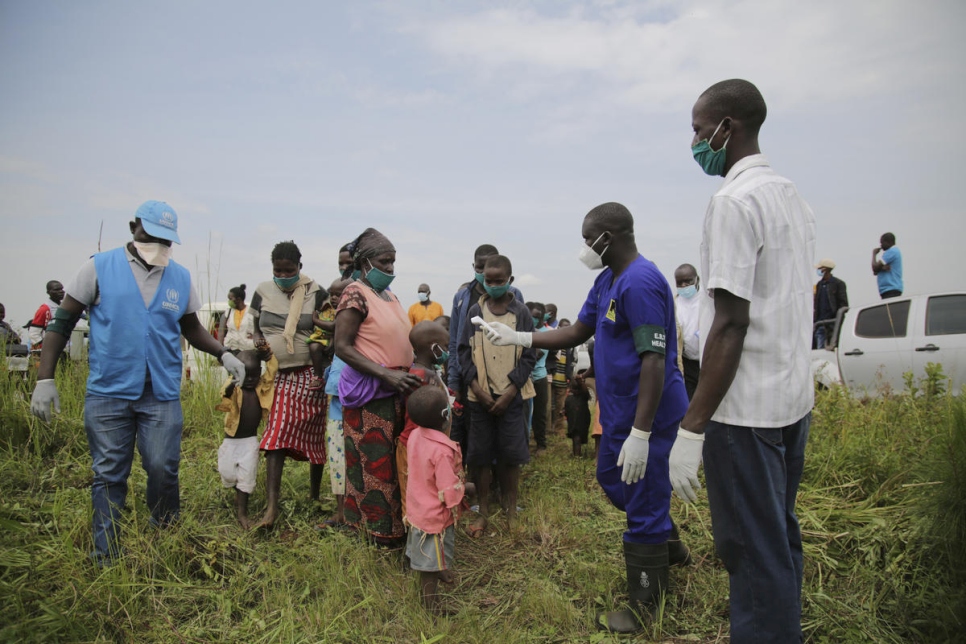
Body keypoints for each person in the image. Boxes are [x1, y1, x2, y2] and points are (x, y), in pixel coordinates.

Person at [479, 203, 690, 633]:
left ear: (606, 238)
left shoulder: (642, 282)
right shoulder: (606, 280)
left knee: (643, 499)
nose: (584, 247)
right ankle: (667, 543)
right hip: (616, 411)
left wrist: (642, 432)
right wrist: (520, 335)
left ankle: (646, 603)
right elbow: (577, 332)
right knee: (613, 481)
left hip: (645, 415)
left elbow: (653, 359)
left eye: (586, 238)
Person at [668, 79, 816, 643]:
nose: (696, 141)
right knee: (777, 535)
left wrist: (692, 427)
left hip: (745, 412)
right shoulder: (790, 196)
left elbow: (730, 321)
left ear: (726, 128)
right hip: (790, 402)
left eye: (698, 129)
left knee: (751, 551)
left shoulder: (733, 202)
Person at [29, 200, 246, 565]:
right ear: (134, 227)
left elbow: (191, 328)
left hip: (160, 393)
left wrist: (223, 353)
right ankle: (106, 555)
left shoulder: (179, 277)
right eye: (152, 235)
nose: (159, 245)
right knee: (109, 473)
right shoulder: (98, 268)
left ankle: (165, 537)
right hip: (108, 392)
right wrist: (45, 378)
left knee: (163, 466)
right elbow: (62, 323)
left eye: (167, 239)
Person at [334, 228, 422, 548]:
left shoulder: (391, 296)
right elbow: (342, 347)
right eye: (384, 262)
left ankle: (395, 527)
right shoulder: (355, 293)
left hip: (396, 389)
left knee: (393, 462)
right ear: (365, 262)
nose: (390, 268)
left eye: (393, 262)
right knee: (374, 465)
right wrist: (386, 375)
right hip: (371, 391)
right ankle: (379, 534)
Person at [249, 241, 329, 529]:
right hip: (277, 374)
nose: (283, 276)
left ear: (300, 268)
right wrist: (259, 340)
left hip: (310, 372)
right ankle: (272, 508)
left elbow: (325, 328)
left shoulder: (315, 292)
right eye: (277, 271)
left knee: (315, 435)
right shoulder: (262, 291)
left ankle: (315, 495)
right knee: (276, 436)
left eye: (289, 270)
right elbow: (256, 326)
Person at [459, 254, 536, 536]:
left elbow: (529, 354)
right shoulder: (473, 313)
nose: (492, 285)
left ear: (510, 281)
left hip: (511, 397)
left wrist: (510, 390)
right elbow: (463, 353)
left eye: (498, 281)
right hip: (479, 397)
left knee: (510, 455)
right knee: (479, 455)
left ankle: (510, 509)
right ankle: (483, 511)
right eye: (488, 280)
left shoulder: (521, 313)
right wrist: (478, 390)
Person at [447, 244, 524, 458]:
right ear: (474, 266)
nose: (484, 274)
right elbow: (456, 343)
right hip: (471, 378)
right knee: (472, 434)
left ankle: (499, 483)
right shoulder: (463, 297)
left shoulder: (515, 296)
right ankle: (475, 483)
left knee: (505, 438)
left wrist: (514, 384)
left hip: (505, 380)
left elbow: (524, 342)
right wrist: (455, 383)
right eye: (480, 268)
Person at [404, 385, 472, 615]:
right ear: (446, 417)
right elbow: (448, 490)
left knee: (430, 550)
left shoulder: (415, 434)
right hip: (434, 517)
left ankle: (439, 567)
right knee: (428, 564)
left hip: (418, 510)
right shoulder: (442, 451)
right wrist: (464, 490)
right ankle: (431, 605)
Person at [215, 345, 277, 528]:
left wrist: (268, 355)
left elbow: (272, 370)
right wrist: (232, 383)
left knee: (246, 477)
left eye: (254, 375)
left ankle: (242, 512)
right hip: (230, 441)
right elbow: (224, 395)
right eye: (245, 375)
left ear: (259, 372)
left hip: (250, 442)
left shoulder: (261, 388)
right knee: (227, 474)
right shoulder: (235, 387)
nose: (249, 380)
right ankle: (237, 491)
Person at [397, 321, 453, 521]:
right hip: (415, 446)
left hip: (427, 445)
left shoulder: (429, 372)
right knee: (413, 492)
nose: (447, 351)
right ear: (434, 347)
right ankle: (413, 534)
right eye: (445, 347)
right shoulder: (420, 376)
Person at [305, 277, 346, 390]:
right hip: (322, 338)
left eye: (338, 295)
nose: (333, 298)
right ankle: (318, 376)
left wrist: (315, 320)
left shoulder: (344, 311)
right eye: (331, 294)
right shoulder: (327, 308)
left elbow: (333, 326)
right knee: (314, 347)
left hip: (338, 342)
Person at [674, 263, 701, 400]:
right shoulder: (674, 305)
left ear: (697, 280)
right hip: (687, 363)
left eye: (688, 281)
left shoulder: (708, 302)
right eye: (680, 283)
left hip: (707, 361)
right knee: (689, 404)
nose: (684, 286)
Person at [526, 301, 551, 453]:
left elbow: (539, 354)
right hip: (526, 378)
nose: (535, 318)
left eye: (537, 316)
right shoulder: (525, 331)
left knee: (540, 413)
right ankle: (525, 442)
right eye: (532, 316)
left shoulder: (544, 334)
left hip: (539, 376)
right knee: (525, 413)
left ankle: (541, 444)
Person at [813, 258, 848, 349]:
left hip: (832, 322)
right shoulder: (819, 284)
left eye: (820, 268)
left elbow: (843, 304)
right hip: (820, 322)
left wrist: (838, 319)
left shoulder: (838, 284)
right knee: (819, 349)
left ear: (825, 269)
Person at [549, 319, 575, 435]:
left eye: (568, 327)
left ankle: (558, 429)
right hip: (551, 378)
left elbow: (572, 362)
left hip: (563, 380)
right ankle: (548, 429)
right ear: (559, 327)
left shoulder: (571, 344)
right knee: (549, 406)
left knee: (560, 406)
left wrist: (570, 378)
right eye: (564, 326)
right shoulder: (554, 340)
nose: (566, 329)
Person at [27, 280, 65, 353]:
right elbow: (33, 334)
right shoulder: (44, 309)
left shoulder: (63, 308)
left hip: (61, 350)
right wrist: (45, 348)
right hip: (46, 352)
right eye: (56, 290)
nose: (61, 291)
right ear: (48, 292)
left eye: (61, 289)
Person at [219, 284, 256, 353]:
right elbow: (221, 332)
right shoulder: (228, 313)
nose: (229, 301)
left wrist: (256, 337)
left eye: (230, 299)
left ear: (238, 299)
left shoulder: (251, 312)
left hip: (247, 348)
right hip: (231, 347)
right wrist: (220, 349)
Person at [565, 370, 591, 457]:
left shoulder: (572, 397)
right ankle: (577, 455)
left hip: (576, 420)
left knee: (575, 437)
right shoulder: (581, 396)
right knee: (577, 437)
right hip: (580, 421)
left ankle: (576, 454)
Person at [872, 232, 903, 299]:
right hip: (888, 289)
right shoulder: (891, 252)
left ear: (889, 242)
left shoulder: (892, 251)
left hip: (891, 289)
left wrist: (874, 254)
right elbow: (875, 271)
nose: (881, 245)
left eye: (882, 243)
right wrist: (882, 267)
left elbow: (874, 268)